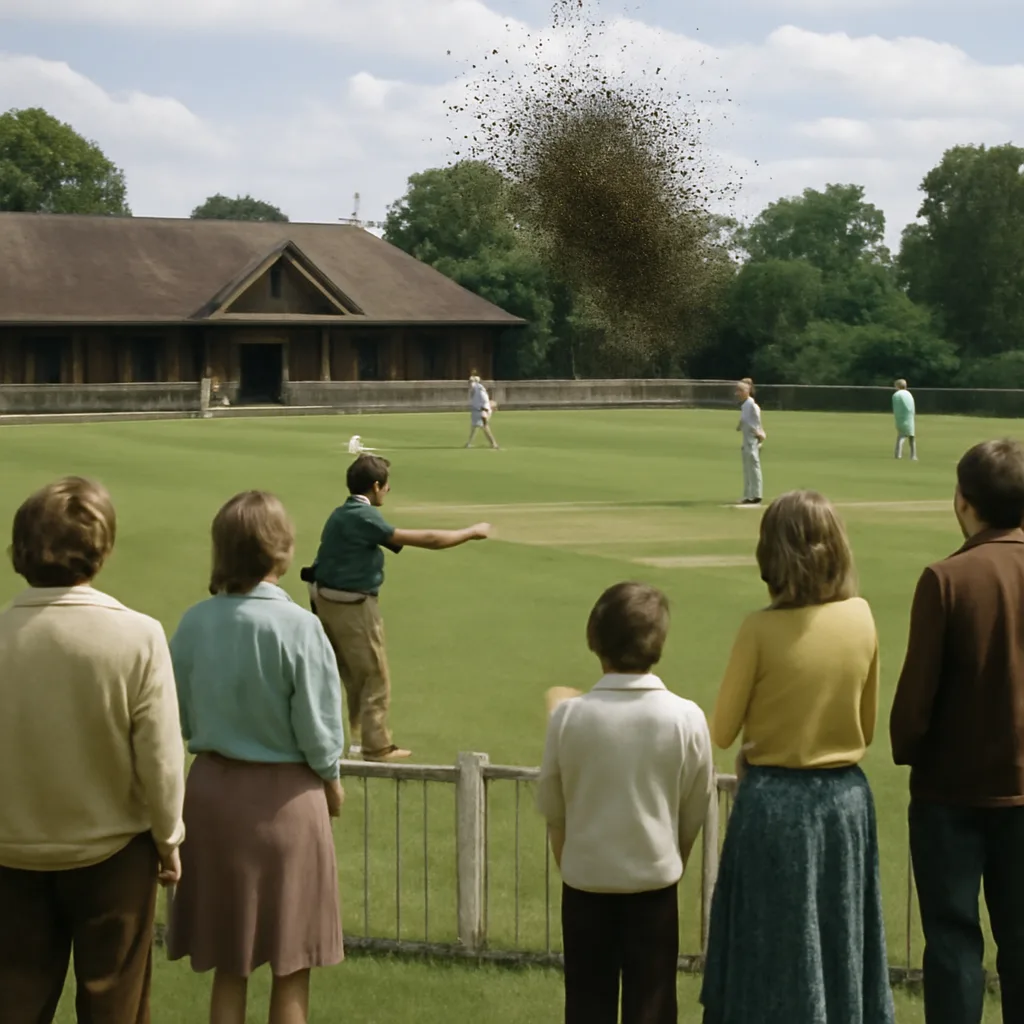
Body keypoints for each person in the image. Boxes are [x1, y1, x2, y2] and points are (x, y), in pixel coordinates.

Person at [701, 490, 894, 1024]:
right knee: (839, 945)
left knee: (768, 951)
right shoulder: (862, 617)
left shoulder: (759, 630)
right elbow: (868, 724)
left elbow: (721, 730)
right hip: (845, 803)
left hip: (774, 804)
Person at [0, 477, 185, 1024]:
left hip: (10, 850)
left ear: (19, 550)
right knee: (114, 1007)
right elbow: (160, 757)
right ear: (102, 550)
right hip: (113, 854)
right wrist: (169, 836)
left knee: (13, 1002)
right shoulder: (137, 636)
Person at [167, 491, 345, 1024]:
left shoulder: (195, 622)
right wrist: (332, 781)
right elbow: (319, 727)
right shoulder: (300, 627)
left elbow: (180, 715)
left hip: (213, 796)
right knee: (292, 966)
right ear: (281, 550)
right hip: (288, 798)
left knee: (230, 964)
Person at [536, 582, 714, 1024]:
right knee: (652, 1005)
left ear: (595, 638)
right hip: (653, 885)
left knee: (587, 1003)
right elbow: (695, 807)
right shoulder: (686, 716)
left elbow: (554, 807)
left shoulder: (569, 717)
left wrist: (573, 862)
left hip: (585, 884)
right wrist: (672, 855)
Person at [890, 439, 1024, 1024]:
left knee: (951, 943)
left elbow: (916, 701)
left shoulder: (946, 578)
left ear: (964, 501)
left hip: (951, 793)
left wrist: (910, 747)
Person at [307, 454, 491, 761]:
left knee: (354, 676)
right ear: (376, 486)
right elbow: (429, 539)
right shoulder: (362, 516)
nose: (388, 491)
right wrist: (471, 532)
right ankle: (376, 746)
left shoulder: (343, 513)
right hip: (350, 604)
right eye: (387, 485)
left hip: (326, 599)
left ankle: (355, 740)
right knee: (374, 675)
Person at [735, 377, 765, 505]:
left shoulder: (751, 404)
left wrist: (761, 435)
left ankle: (755, 494)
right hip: (746, 439)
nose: (737, 394)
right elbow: (744, 420)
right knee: (748, 468)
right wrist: (739, 426)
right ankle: (749, 494)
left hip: (752, 440)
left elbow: (757, 421)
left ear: (746, 391)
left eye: (739, 391)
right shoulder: (745, 405)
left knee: (753, 467)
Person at [466, 373, 499, 449]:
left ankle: (493, 443)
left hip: (480, 411)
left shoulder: (479, 389)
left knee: (484, 427)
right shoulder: (476, 389)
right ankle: (469, 443)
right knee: (475, 427)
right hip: (476, 411)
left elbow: (485, 401)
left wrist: (485, 410)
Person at [892, 379, 917, 460]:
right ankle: (913, 455)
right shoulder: (909, 394)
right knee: (911, 437)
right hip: (910, 418)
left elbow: (896, 408)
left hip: (901, 418)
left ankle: (898, 454)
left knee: (901, 436)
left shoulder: (897, 394)